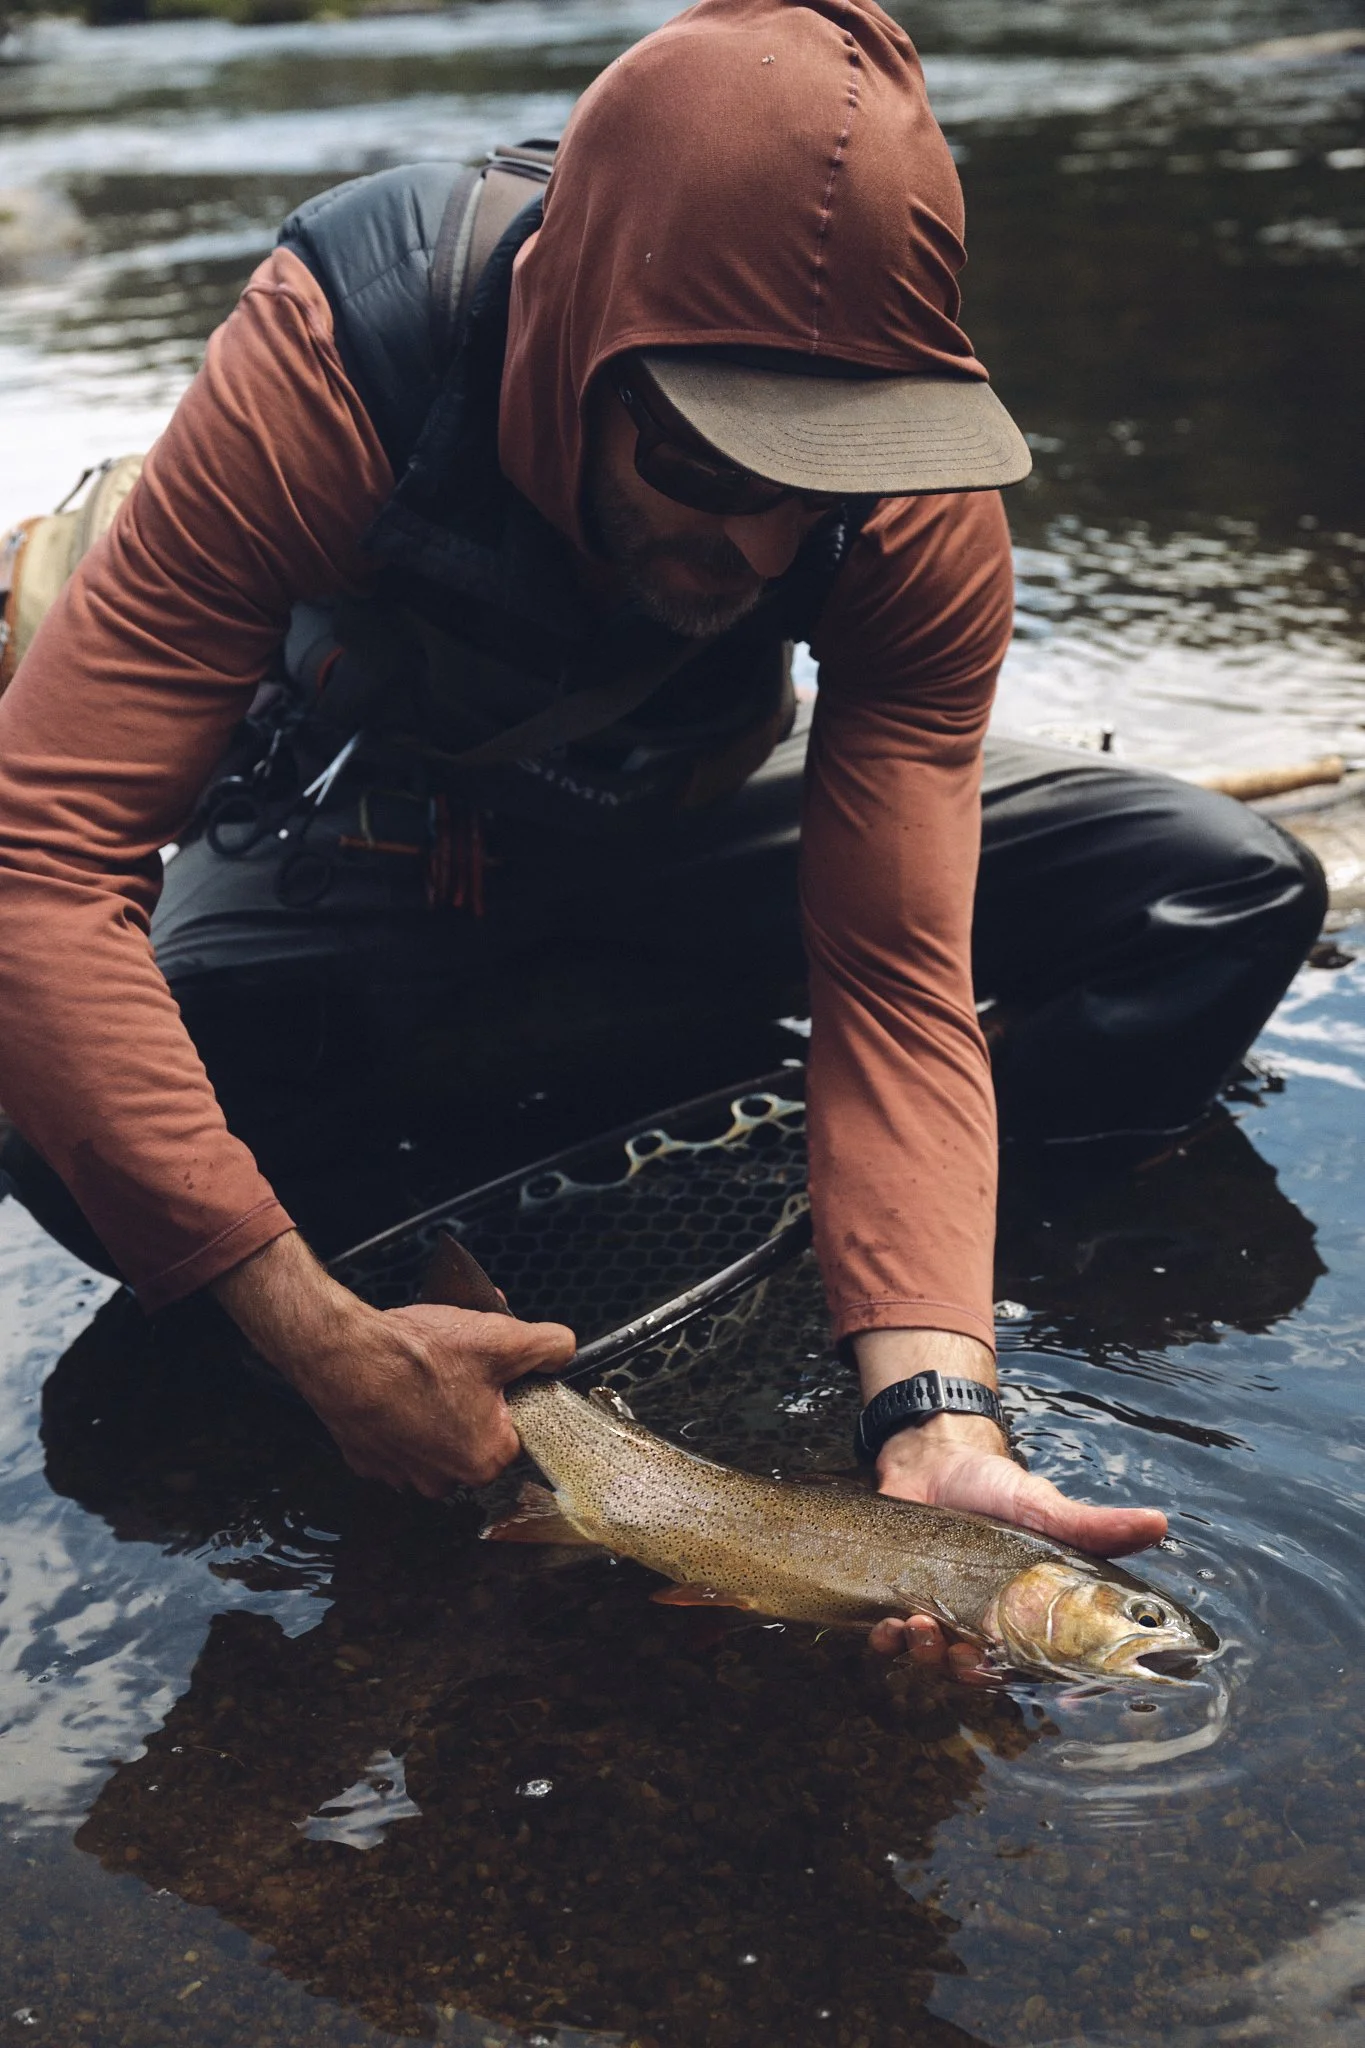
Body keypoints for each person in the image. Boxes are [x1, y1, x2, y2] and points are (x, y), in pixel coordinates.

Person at [0, 0, 1323, 1677]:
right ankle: (477, 1189)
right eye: (707, 456)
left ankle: (760, 1196)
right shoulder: (346, 354)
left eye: (814, 478)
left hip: (677, 831)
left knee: (1214, 895)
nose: (760, 539)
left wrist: (935, 1405)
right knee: (55, 1119)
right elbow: (42, 871)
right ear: (575, 334)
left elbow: (899, 974)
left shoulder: (911, 484)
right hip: (365, 856)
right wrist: (304, 1325)